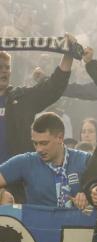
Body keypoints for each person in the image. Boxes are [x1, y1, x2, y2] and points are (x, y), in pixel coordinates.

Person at [0, 34, 76, 163]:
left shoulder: (20, 99)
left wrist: (68, 55)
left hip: (16, 177)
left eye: (7, 67)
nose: (4, 71)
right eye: (0, 67)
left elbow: (53, 88)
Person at [0, 112, 90, 209]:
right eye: (35, 143)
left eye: (44, 143)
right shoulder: (25, 162)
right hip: (37, 223)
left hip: (78, 223)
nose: (39, 149)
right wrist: (1, 194)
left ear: (60, 138)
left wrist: (90, 197)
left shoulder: (85, 160)